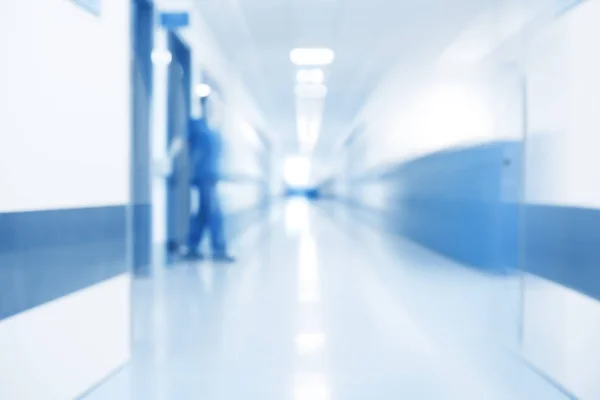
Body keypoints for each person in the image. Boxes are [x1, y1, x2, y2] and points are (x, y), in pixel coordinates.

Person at [160, 95, 235, 263]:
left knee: (203, 213)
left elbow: (222, 155)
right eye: (209, 104)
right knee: (215, 212)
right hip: (201, 176)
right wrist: (168, 157)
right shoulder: (196, 124)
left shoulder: (216, 129)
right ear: (203, 106)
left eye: (215, 105)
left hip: (214, 176)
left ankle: (191, 247)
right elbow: (181, 140)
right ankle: (219, 249)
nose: (212, 108)